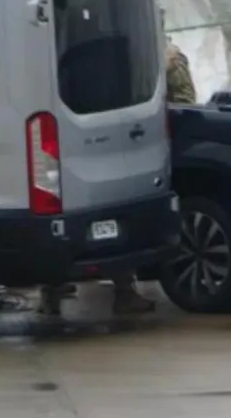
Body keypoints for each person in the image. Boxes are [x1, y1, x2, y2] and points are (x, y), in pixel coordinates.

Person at [37, 41, 197, 317]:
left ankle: (52, 292)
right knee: (118, 220)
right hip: (123, 144)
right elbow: (184, 103)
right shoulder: (162, 53)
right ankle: (124, 292)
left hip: (76, 147)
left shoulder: (64, 52)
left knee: (66, 219)